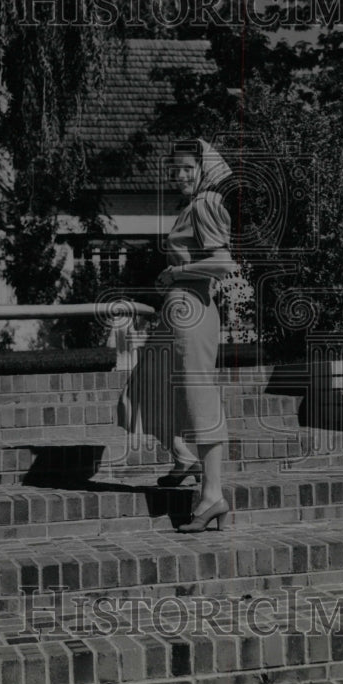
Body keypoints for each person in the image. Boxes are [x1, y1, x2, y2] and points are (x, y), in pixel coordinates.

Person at [117, 138, 237, 532]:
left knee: (199, 398)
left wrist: (176, 274)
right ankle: (183, 456)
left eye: (189, 167)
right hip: (177, 313)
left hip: (193, 315)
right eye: (175, 169)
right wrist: (171, 277)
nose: (180, 175)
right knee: (145, 390)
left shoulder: (206, 205)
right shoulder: (191, 208)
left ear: (205, 169)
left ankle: (213, 495)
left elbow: (222, 264)